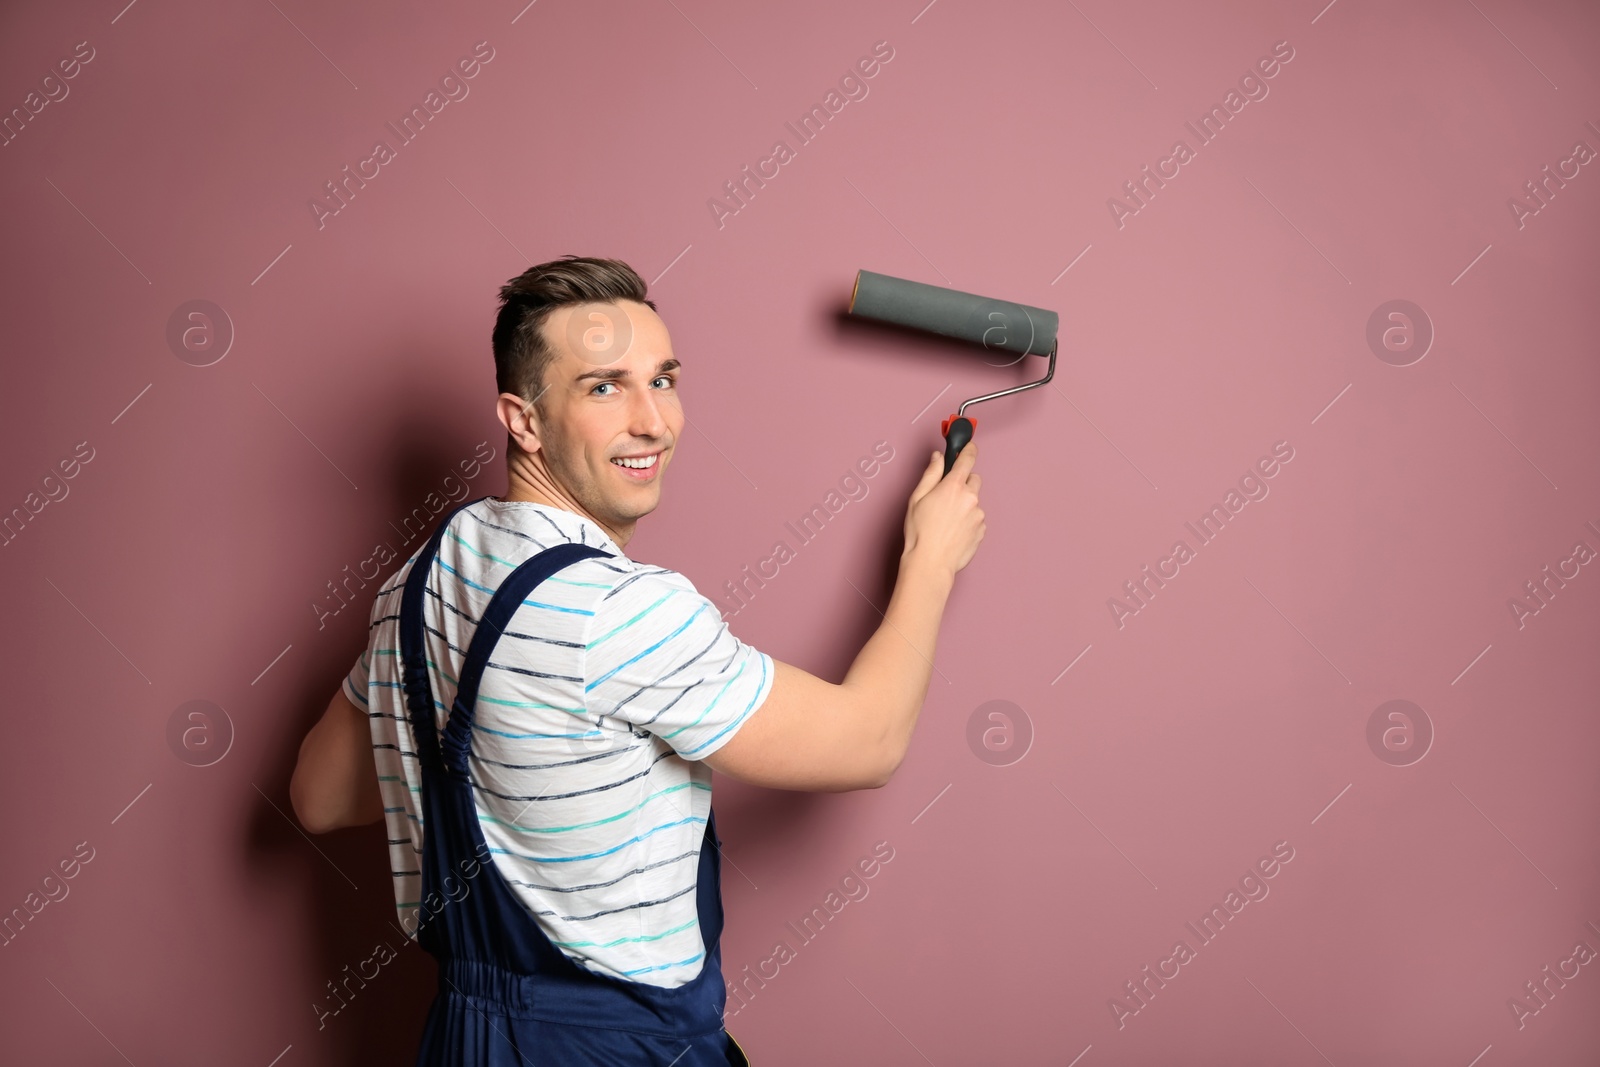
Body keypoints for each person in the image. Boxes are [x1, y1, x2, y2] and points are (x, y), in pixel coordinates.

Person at [288, 255, 984, 1065]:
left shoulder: (419, 581)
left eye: (664, 379)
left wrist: (495, 755)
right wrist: (930, 559)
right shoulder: (623, 611)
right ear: (522, 419)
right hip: (611, 1045)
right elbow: (868, 742)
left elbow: (319, 794)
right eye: (604, 387)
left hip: (458, 1038)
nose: (655, 421)